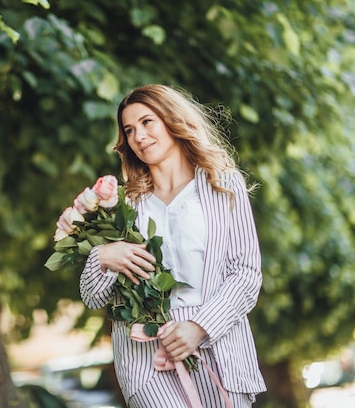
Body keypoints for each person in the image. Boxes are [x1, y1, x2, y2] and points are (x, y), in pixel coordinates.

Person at [79, 84, 266, 407]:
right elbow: (92, 296)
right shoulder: (122, 205)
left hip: (218, 347)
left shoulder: (222, 185)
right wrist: (105, 256)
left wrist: (199, 327)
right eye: (129, 129)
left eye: (147, 122)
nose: (139, 136)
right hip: (145, 359)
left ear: (172, 119)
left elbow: (246, 274)